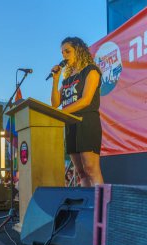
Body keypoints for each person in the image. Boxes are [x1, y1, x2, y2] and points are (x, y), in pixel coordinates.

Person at [50, 36, 104, 187]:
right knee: (80, 172)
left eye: (68, 51)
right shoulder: (67, 79)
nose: (64, 56)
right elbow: (55, 104)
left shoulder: (91, 71)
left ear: (79, 50)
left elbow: (86, 100)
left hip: (87, 122)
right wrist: (55, 80)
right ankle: (88, 206)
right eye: (62, 53)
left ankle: (101, 207)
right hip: (71, 124)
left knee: (91, 168)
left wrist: (63, 113)